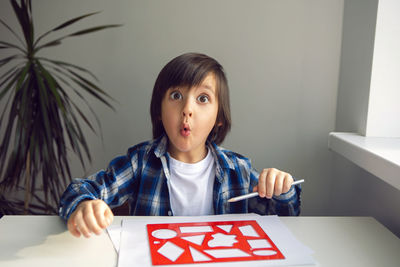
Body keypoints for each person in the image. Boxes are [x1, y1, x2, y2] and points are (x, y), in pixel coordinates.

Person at [59, 53, 301, 238]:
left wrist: (282, 187)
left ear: (219, 118)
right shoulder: (140, 163)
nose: (187, 109)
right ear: (159, 111)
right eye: (176, 96)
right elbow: (80, 189)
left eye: (203, 98)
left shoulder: (237, 170)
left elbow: (285, 217)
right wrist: (83, 206)